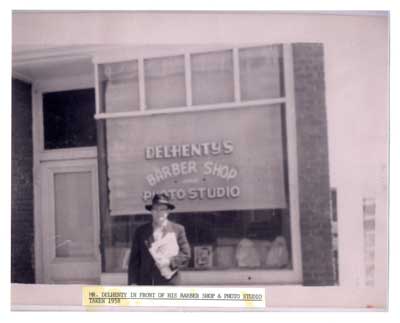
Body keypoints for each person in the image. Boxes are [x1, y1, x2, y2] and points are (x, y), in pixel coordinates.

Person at [128, 193, 191, 285]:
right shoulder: (141, 231)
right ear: (151, 211)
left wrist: (169, 262)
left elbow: (186, 255)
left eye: (163, 209)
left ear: (168, 211)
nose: (159, 213)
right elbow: (134, 260)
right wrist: (133, 283)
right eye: (156, 209)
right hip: (146, 284)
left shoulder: (178, 229)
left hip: (170, 283)